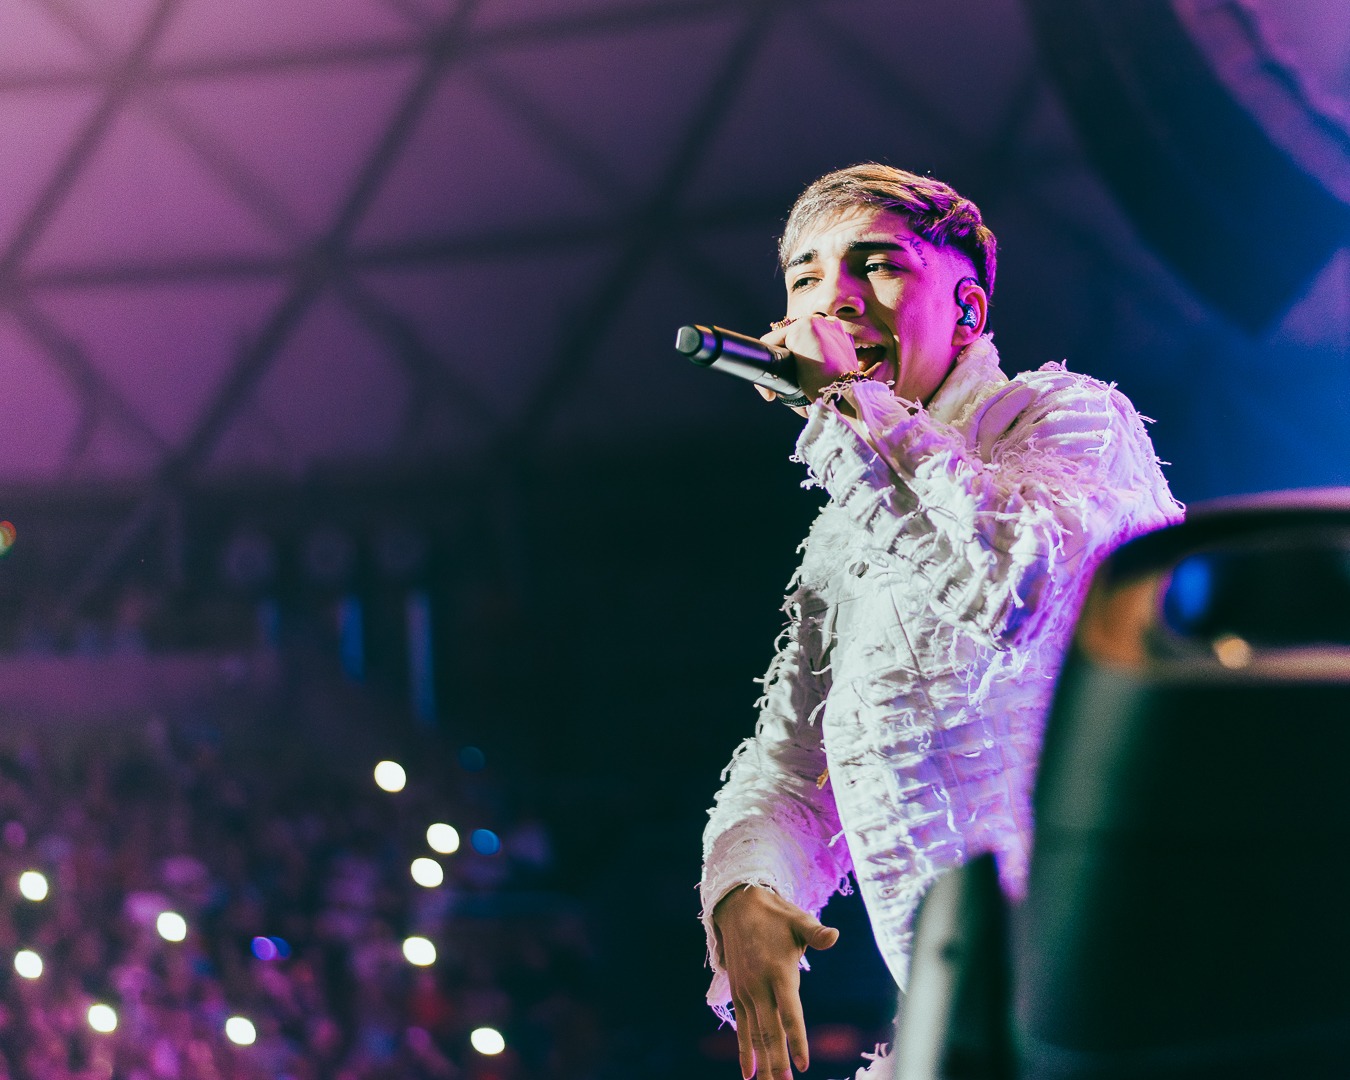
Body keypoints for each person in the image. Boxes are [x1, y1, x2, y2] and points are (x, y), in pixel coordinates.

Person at [698, 164, 1183, 1080]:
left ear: (964, 308)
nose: (832, 299)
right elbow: (793, 773)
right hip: (969, 1024)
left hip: (1125, 996)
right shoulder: (848, 531)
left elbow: (1018, 589)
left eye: (875, 265)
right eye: (805, 277)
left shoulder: (1064, 419)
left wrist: (847, 409)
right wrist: (747, 889)